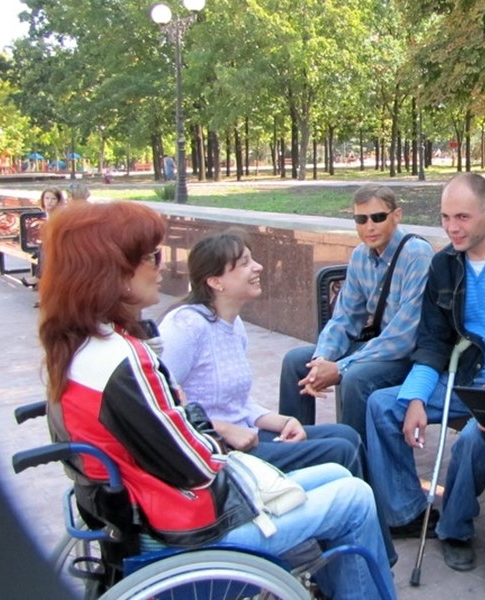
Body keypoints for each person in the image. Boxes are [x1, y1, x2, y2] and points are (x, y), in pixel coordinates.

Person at [37, 202, 395, 600]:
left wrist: (205, 417)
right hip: (187, 527)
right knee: (355, 496)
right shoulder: (127, 358)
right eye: (152, 257)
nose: (161, 266)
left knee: (338, 473)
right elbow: (198, 464)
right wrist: (209, 425)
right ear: (114, 273)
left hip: (151, 511)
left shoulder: (78, 350)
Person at [160, 228, 397, 565]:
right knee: (340, 449)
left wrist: (284, 419)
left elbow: (240, 404)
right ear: (216, 282)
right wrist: (225, 429)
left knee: (346, 435)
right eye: (244, 263)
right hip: (221, 454)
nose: (258, 267)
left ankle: (363, 550)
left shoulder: (232, 324)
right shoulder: (186, 327)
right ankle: (363, 560)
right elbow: (161, 402)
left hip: (249, 436)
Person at [365, 173, 485, 572]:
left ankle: (455, 529)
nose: (452, 227)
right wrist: (416, 396)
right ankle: (407, 512)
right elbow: (433, 339)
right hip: (464, 375)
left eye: (463, 217)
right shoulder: (444, 264)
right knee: (384, 406)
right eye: (445, 217)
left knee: (471, 440)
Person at [279, 184, 433, 440]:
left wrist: (341, 367)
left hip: (411, 356)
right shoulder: (360, 255)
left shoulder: (417, 254)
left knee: (355, 377)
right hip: (378, 350)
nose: (369, 226)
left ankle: (354, 462)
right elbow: (345, 318)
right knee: (297, 362)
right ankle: (296, 452)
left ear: (397, 216)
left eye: (378, 217)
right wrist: (321, 360)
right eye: (361, 219)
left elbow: (404, 337)